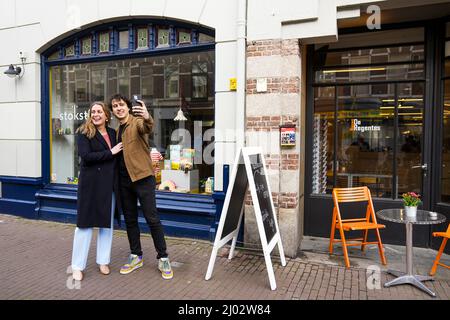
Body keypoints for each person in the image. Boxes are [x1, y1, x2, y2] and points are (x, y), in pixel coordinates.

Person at [109, 94, 173, 280]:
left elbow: (147, 127)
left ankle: (163, 257)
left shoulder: (136, 122)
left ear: (128, 107)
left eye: (121, 105)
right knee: (130, 220)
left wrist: (146, 115)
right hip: (124, 181)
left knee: (152, 219)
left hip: (143, 178)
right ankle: (136, 255)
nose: (118, 108)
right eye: (115, 106)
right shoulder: (116, 130)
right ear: (112, 111)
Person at [71, 102, 123, 281]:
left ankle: (103, 261)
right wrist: (111, 152)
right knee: (84, 226)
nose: (96, 114)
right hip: (91, 185)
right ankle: (77, 266)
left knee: (106, 226)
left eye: (99, 111)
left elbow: (121, 156)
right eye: (93, 112)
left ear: (106, 115)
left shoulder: (113, 133)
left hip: (109, 186)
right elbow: (86, 156)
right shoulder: (84, 133)